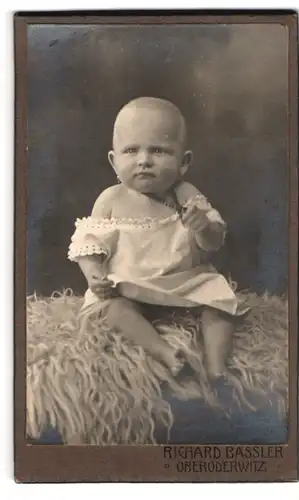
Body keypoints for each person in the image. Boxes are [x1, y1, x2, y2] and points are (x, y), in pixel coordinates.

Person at [68, 97, 249, 381]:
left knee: (219, 302)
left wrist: (202, 226)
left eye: (159, 151)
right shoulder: (111, 199)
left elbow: (213, 242)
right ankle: (165, 352)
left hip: (184, 279)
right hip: (130, 282)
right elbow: (88, 244)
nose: (144, 160)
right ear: (114, 161)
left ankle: (217, 367)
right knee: (113, 309)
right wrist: (93, 274)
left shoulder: (184, 193)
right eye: (131, 150)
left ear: (183, 162)